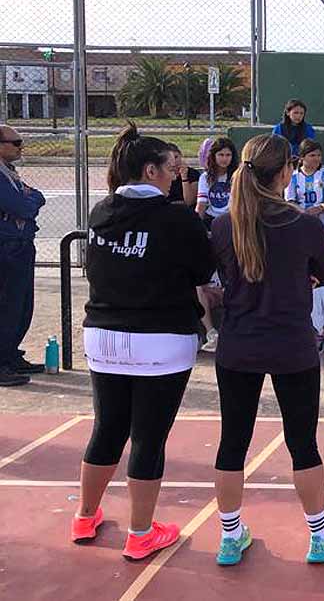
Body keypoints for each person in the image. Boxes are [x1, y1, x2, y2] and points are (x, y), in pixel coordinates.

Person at [72, 124, 215, 559]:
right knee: (148, 438)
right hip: (160, 341)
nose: (176, 175)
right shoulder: (176, 218)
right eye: (171, 168)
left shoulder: (101, 211)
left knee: (107, 428)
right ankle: (140, 533)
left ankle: (84, 514)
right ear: (150, 170)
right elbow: (203, 273)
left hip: (103, 336)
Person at [210, 133, 324, 566]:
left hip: (238, 346)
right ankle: (319, 534)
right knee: (303, 443)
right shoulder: (305, 225)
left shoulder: (222, 224)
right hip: (291, 345)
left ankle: (230, 536)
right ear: (285, 173)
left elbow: (219, 279)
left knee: (232, 442)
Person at [0, 125, 45, 386]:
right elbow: (19, 206)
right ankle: (2, 362)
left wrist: (31, 199)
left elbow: (36, 196)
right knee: (7, 305)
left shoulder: (10, 173)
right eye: (15, 142)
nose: (20, 146)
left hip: (21, 244)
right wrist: (30, 201)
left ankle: (11, 354)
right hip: (7, 246)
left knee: (23, 305)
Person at [287, 139, 324, 229]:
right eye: (312, 155)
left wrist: (320, 208)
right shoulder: (292, 176)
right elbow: (290, 201)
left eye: (319, 155)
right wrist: (304, 213)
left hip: (323, 213)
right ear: (302, 157)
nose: (316, 158)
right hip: (300, 213)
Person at [196, 137, 238, 231]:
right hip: (211, 219)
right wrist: (196, 226)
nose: (224, 158)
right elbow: (201, 205)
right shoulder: (205, 177)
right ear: (214, 156)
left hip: (232, 220)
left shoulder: (237, 176)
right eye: (220, 155)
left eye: (228, 155)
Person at [165, 143, 201, 208]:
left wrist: (184, 177)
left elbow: (189, 201)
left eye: (176, 157)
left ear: (181, 155)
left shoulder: (193, 174)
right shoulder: (163, 174)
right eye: (170, 158)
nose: (174, 161)